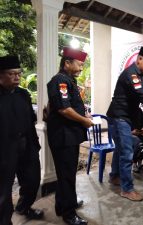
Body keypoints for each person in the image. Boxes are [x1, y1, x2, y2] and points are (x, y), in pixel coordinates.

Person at [107, 46, 143, 201]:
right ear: (139, 59)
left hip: (121, 117)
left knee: (121, 149)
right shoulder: (131, 74)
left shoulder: (137, 75)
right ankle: (127, 189)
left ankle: (114, 176)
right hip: (119, 117)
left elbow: (136, 102)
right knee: (127, 152)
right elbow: (141, 96)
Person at [47, 47, 93, 225]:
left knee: (66, 173)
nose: (81, 68)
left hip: (67, 136)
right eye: (79, 64)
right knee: (67, 175)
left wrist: (84, 116)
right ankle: (69, 213)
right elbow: (64, 109)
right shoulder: (61, 81)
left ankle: (63, 204)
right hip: (63, 136)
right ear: (67, 63)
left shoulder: (68, 80)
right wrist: (84, 120)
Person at [0, 56, 43, 225]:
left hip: (27, 146)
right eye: (12, 74)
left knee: (32, 181)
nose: (17, 77)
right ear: (1, 75)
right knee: (4, 191)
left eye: (19, 73)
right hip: (4, 150)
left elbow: (31, 119)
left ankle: (24, 207)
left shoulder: (23, 94)